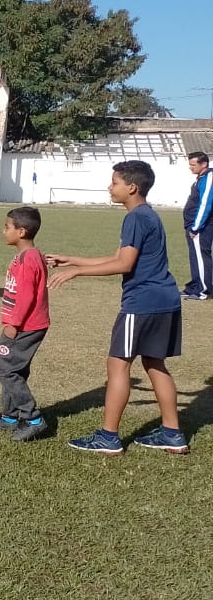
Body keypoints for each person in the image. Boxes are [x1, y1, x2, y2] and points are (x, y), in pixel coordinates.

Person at [48, 160, 187, 455]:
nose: (110, 188)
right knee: (154, 362)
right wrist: (72, 260)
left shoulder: (136, 218)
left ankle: (108, 437)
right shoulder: (148, 216)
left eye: (114, 183)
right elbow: (117, 257)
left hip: (143, 303)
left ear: (131, 187)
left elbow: (123, 265)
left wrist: (76, 273)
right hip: (165, 300)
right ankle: (173, 434)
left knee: (118, 364)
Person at [0, 207, 51, 442]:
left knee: (5, 369)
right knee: (15, 369)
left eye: (7, 227)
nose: (4, 231)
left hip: (25, 326)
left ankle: (33, 419)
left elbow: (27, 297)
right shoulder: (26, 255)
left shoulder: (29, 258)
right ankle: (9, 417)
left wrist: (14, 323)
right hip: (26, 324)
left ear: (21, 231)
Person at [181, 150, 212, 300]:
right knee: (195, 256)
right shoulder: (199, 178)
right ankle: (195, 285)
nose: (190, 167)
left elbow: (205, 203)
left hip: (200, 226)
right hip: (192, 224)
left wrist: (195, 226)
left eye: (193, 164)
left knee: (201, 256)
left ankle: (203, 291)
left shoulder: (209, 178)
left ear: (204, 164)